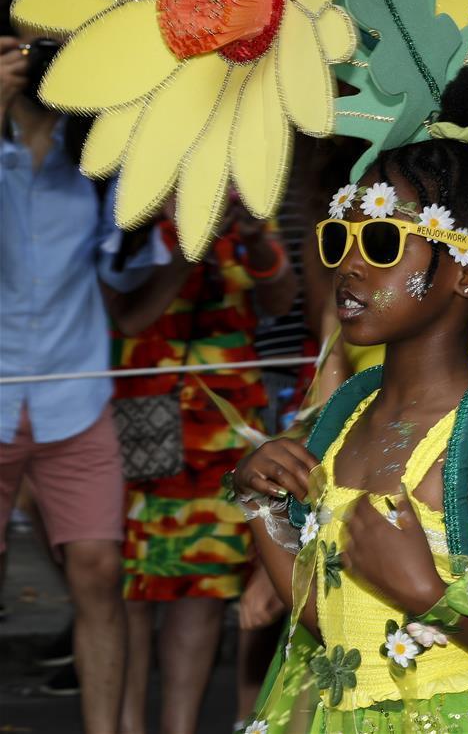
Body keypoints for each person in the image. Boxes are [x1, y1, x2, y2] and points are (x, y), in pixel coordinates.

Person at [233, 54, 468, 732]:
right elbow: (328, 617)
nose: (352, 263)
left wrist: (432, 596)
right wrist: (260, 509)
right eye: (344, 236)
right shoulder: (345, 421)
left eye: (385, 240)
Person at [0, 2, 164, 732]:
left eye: (59, 49)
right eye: (31, 47)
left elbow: (130, 290)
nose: (44, 62)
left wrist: (187, 233)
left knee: (100, 572)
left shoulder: (99, 159)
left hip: (76, 395)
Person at [113, 199, 298, 734]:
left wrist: (255, 241)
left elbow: (280, 299)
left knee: (201, 590)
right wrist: (190, 249)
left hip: (221, 430)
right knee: (133, 593)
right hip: (137, 420)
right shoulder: (131, 210)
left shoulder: (241, 212)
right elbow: (130, 315)